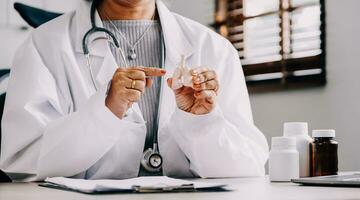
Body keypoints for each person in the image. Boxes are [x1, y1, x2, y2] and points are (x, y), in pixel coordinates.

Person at [0, 0, 268, 181]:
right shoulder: (43, 45)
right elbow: (22, 162)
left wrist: (201, 122)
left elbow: (245, 169)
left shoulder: (215, 47)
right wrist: (104, 112)